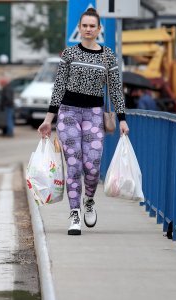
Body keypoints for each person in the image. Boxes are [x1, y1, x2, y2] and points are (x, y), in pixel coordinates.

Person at [38, 8, 129, 236]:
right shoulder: (69, 54)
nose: (88, 29)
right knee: (74, 165)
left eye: (92, 26)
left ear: (99, 29)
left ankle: (89, 199)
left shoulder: (108, 56)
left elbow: (116, 90)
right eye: (85, 25)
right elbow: (58, 87)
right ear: (79, 28)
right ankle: (74, 213)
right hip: (68, 113)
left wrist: (122, 119)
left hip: (94, 115)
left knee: (92, 166)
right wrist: (49, 119)